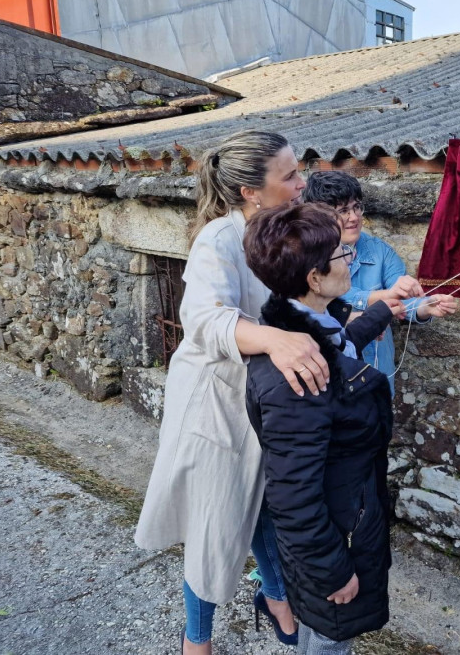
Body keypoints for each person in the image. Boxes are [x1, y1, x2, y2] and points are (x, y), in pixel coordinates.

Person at [135, 130, 324, 654]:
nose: (301, 182)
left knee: (264, 504)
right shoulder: (219, 239)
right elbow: (202, 317)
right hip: (215, 406)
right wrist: (272, 338)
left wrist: (383, 300)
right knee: (214, 522)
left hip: (266, 402)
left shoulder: (285, 230)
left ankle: (278, 597)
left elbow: (316, 292)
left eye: (297, 169)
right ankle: (197, 639)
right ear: (250, 192)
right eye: (288, 175)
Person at [244, 202, 400, 654]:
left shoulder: (299, 328)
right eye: (340, 255)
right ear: (314, 278)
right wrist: (333, 570)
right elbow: (292, 495)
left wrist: (383, 311)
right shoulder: (297, 379)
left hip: (344, 517)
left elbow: (337, 344)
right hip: (335, 535)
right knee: (331, 637)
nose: (350, 258)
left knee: (323, 628)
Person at [303, 171, 458, 391]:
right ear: (319, 215)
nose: (354, 217)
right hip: (330, 375)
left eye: (357, 207)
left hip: (377, 371)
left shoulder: (380, 251)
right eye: (343, 211)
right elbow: (339, 302)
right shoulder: (304, 256)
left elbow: (404, 302)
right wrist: (385, 297)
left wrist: (426, 306)